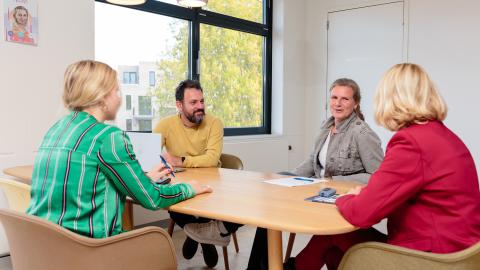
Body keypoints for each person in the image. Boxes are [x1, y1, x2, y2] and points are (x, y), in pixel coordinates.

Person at [287, 63, 480, 270]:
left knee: (334, 234)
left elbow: (362, 214)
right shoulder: (443, 136)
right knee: (333, 243)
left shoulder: (410, 142)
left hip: (433, 259)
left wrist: (345, 197)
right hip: (460, 252)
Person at [27, 60, 212, 239]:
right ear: (101, 97)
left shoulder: (57, 129)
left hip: (43, 244)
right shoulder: (109, 137)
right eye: (116, 90)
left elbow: (91, 182)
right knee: (159, 242)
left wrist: (144, 179)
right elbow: (152, 198)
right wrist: (190, 188)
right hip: (89, 248)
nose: (119, 97)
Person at [247, 78, 384, 269]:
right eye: (334, 97)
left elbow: (377, 175)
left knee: (282, 214)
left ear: (355, 103)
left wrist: (332, 180)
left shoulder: (361, 133)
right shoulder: (326, 127)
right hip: (318, 189)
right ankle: (260, 265)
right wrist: (288, 177)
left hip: (337, 197)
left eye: (344, 99)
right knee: (270, 204)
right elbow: (313, 160)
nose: (337, 103)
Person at [153, 79, 242, 268]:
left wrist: (181, 160)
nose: (200, 107)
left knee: (214, 198)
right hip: (181, 182)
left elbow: (211, 159)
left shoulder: (214, 123)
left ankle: (194, 234)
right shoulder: (166, 125)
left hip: (212, 183)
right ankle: (202, 236)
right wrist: (161, 161)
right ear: (179, 105)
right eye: (193, 103)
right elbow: (150, 153)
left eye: (202, 101)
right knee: (171, 197)